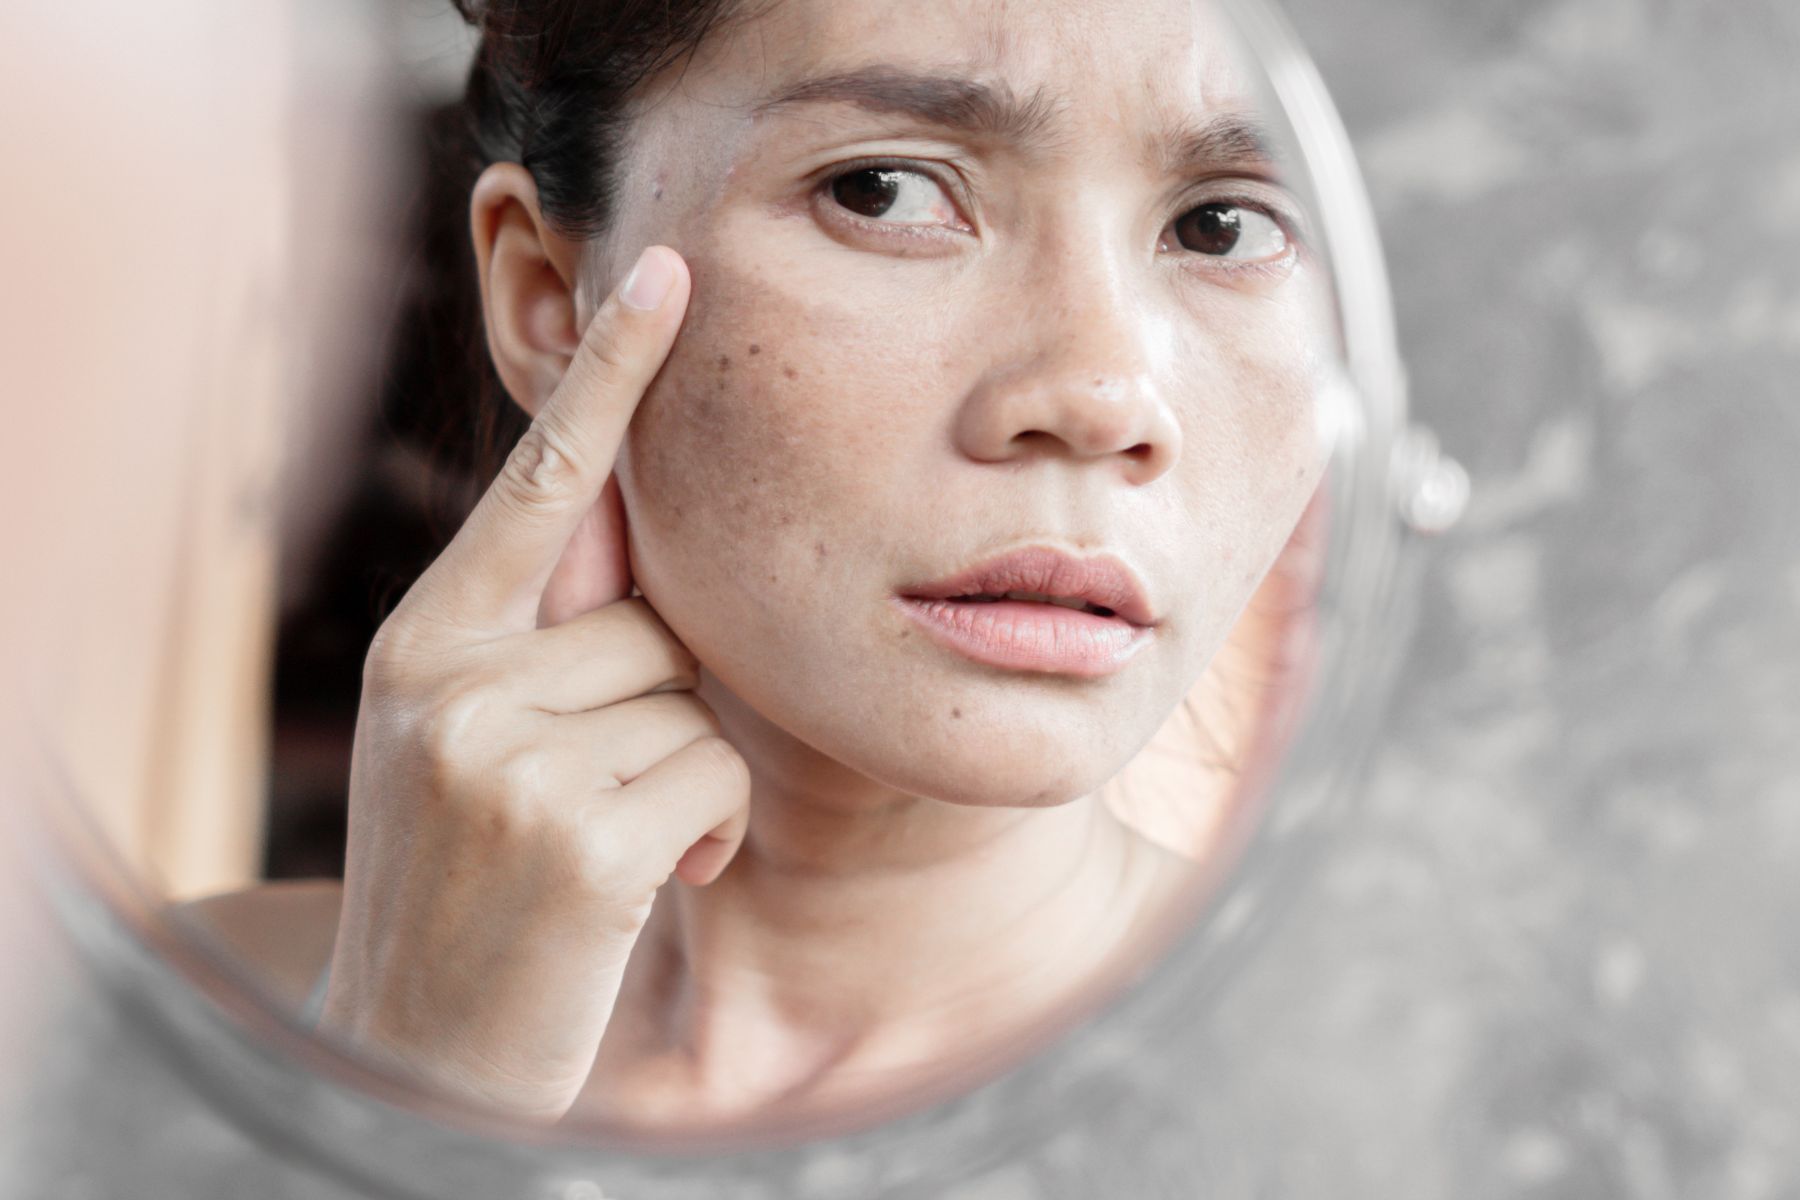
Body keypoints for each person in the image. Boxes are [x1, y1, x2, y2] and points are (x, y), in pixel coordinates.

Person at [185, 0, 1333, 1137]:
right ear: (549, 302)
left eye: (1225, 226)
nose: (1100, 398)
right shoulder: (143, 1026)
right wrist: (406, 1096)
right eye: (883, 191)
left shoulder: (1418, 1097)